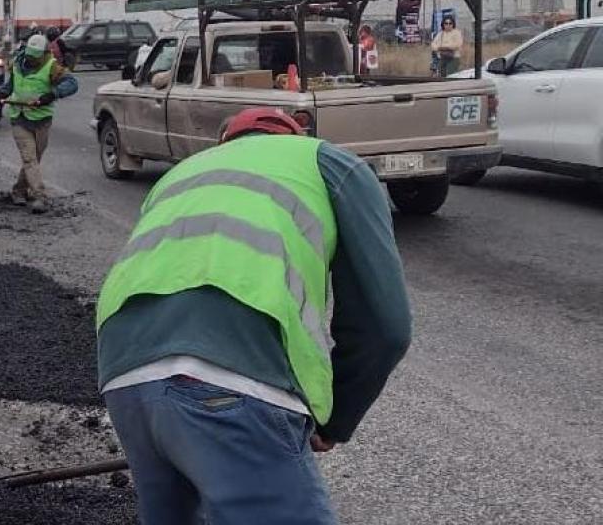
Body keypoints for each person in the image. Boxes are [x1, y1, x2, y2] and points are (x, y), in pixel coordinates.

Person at [96, 107, 412, 524]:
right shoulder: (326, 162)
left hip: (124, 373)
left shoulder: (182, 174)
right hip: (226, 379)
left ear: (226, 142)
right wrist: (335, 421)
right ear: (294, 135)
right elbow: (386, 326)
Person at [0, 34, 78, 213]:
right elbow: (9, 86)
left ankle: (18, 190)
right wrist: (1, 94)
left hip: (42, 120)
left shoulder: (52, 67)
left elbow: (72, 84)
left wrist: (52, 94)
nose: (31, 60)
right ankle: (39, 196)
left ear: (44, 54)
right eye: (29, 56)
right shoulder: (17, 65)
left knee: (34, 159)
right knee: (29, 158)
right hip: (19, 117)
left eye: (35, 57)